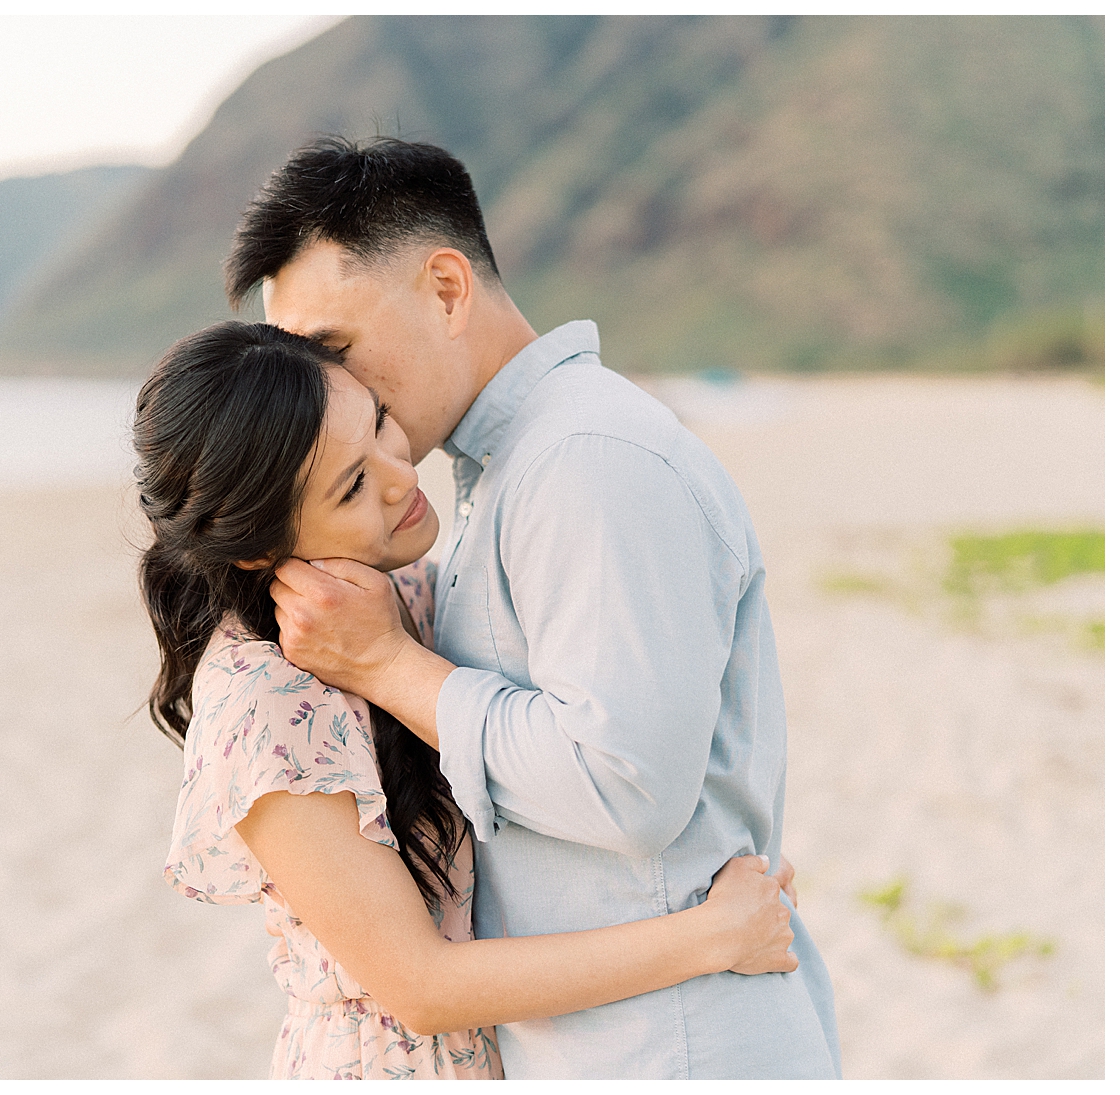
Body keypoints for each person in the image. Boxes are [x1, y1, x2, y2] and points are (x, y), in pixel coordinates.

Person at [224, 136, 843, 1079]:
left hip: (671, 1049)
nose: (328, 392)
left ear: (445, 288)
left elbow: (625, 783)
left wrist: (391, 667)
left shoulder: (586, 460)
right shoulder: (506, 470)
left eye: (335, 349)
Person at [136, 321, 802, 1080]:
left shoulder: (403, 594)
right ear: (257, 546)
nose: (398, 474)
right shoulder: (265, 706)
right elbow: (422, 986)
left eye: (381, 422)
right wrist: (714, 935)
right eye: (352, 485)